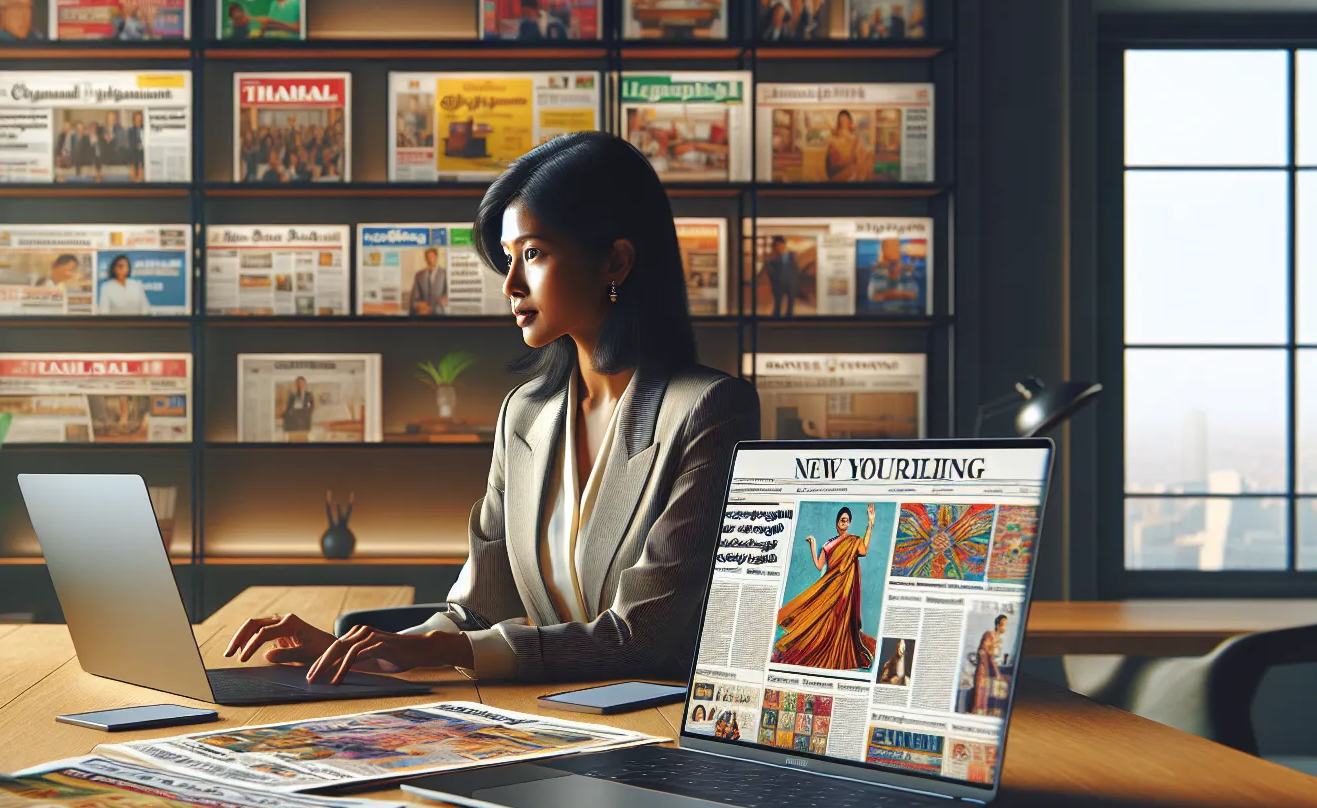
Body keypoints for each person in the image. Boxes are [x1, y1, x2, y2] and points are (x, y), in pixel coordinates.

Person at [224, 131, 760, 683]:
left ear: (615, 262)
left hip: (661, 731)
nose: (510, 283)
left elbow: (641, 639)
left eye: (533, 253)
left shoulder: (709, 411)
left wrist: (437, 652)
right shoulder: (525, 413)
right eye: (507, 258)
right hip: (548, 715)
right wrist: (372, 650)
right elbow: (479, 610)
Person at [773, 506, 877, 672]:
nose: (844, 523)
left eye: (847, 521)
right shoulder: (829, 544)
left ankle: (838, 649)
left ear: (849, 523)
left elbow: (863, 551)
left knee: (840, 618)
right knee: (822, 618)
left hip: (844, 588)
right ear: (837, 523)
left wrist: (870, 524)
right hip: (830, 586)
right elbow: (819, 565)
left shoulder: (853, 540)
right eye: (842, 520)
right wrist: (813, 546)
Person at [967, 615, 1009, 715]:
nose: (1005, 628)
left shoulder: (999, 640)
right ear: (998, 625)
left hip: (989, 672)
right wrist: (997, 673)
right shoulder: (989, 635)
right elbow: (985, 653)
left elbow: (993, 657)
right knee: (978, 697)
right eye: (1003, 625)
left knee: (985, 697)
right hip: (982, 669)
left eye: (1006, 625)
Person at [825, 109, 875, 182]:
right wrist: (841, 139)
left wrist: (849, 137)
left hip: (851, 169)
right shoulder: (834, 138)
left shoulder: (856, 139)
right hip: (837, 171)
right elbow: (829, 141)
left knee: (860, 144)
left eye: (846, 120)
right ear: (839, 123)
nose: (844, 123)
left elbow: (859, 155)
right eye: (842, 121)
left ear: (850, 122)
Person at [763, 236, 799, 316]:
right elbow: (770, 272)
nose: (778, 247)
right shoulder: (773, 258)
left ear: (784, 245)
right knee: (778, 303)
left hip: (791, 283)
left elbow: (796, 269)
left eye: (780, 245)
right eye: (776, 245)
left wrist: (795, 282)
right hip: (778, 283)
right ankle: (777, 318)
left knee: (790, 305)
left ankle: (789, 318)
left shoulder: (792, 256)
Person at [410, 247, 449, 315]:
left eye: (432, 257)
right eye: (428, 257)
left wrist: (445, 299)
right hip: (424, 313)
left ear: (436, 258)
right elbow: (415, 297)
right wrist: (419, 305)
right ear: (425, 259)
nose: (430, 260)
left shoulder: (444, 274)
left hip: (440, 311)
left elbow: (448, 292)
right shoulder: (419, 276)